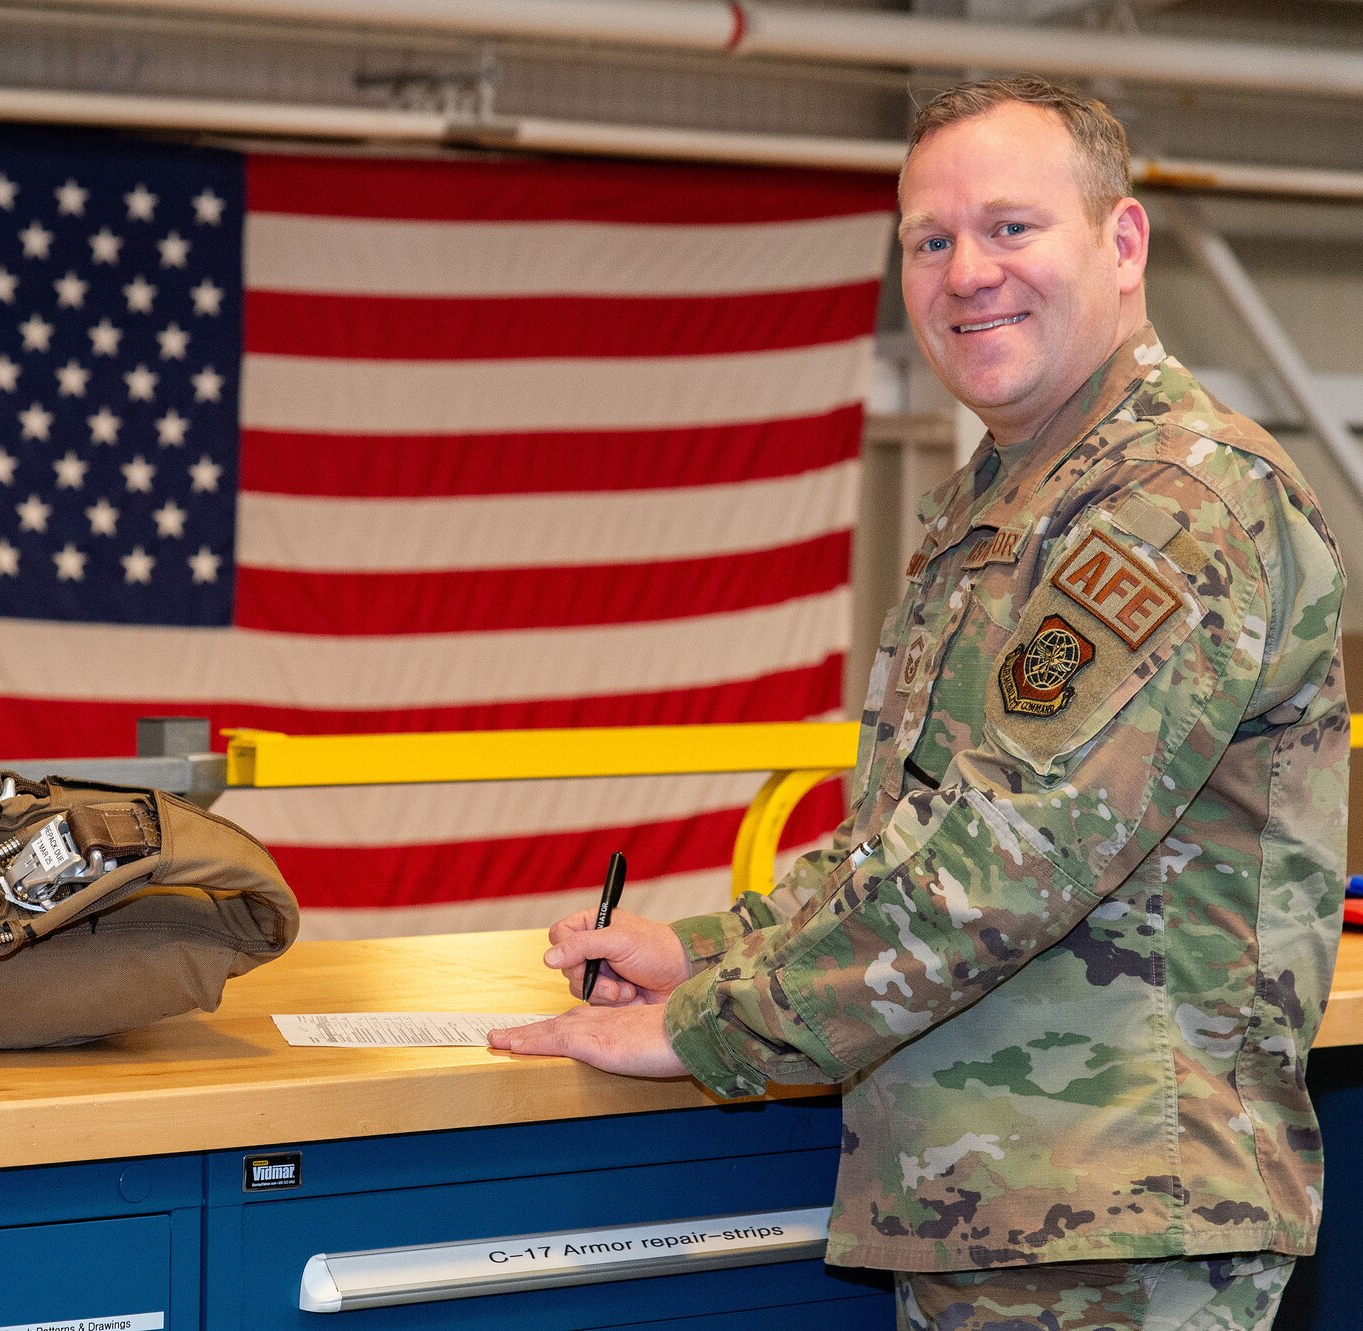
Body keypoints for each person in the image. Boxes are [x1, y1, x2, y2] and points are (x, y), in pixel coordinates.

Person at [490, 77, 1349, 1329]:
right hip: (1006, 1210)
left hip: (1117, 1229)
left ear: (1120, 244)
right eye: (929, 240)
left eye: (1010, 227)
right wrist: (702, 948)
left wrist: (711, 1027)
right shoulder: (999, 500)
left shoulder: (1169, 502)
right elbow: (908, 825)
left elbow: (999, 857)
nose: (964, 273)